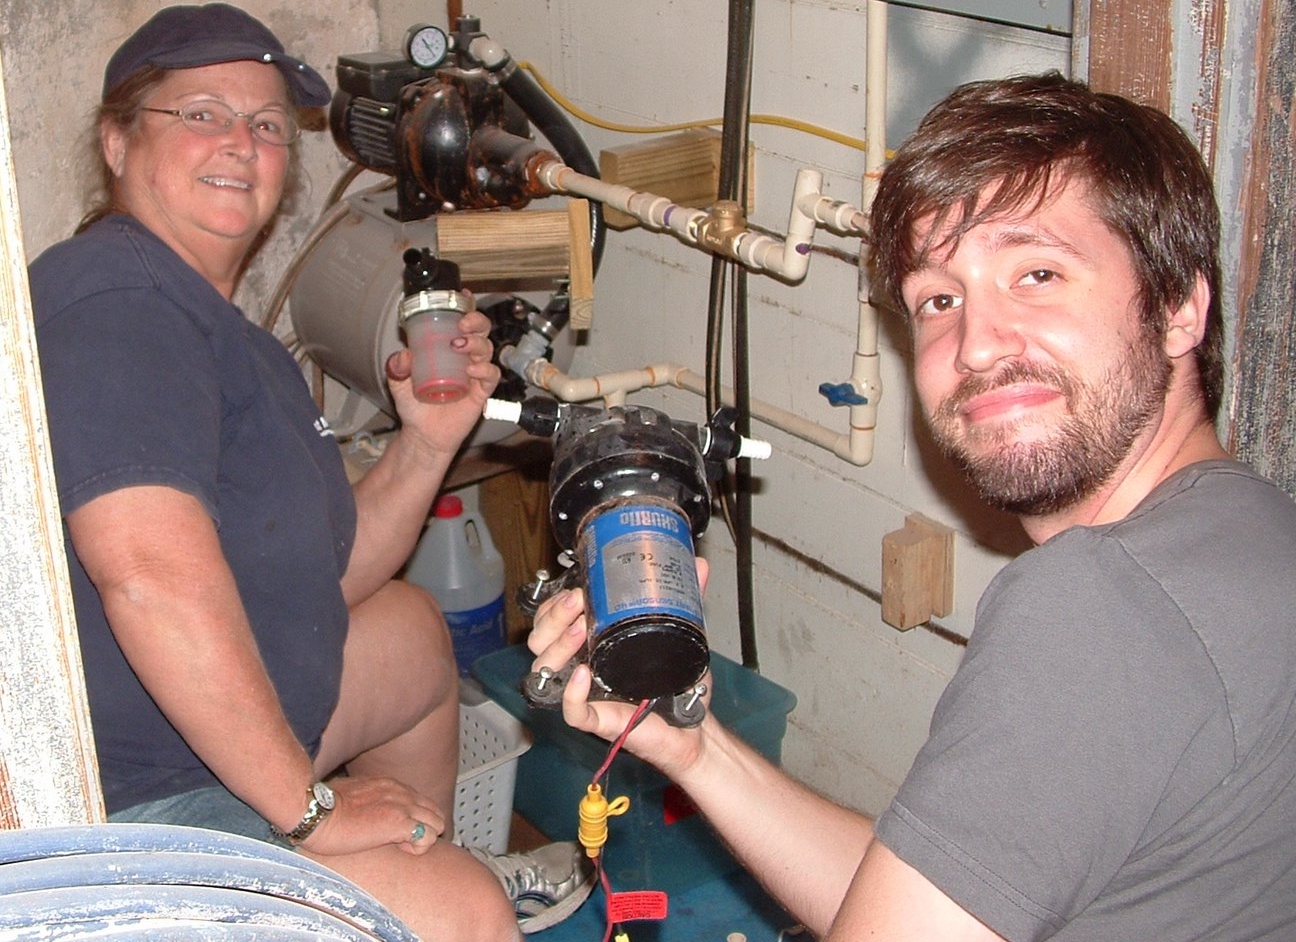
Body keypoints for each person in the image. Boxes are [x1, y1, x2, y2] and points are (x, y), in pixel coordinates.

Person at [529, 71, 1296, 940]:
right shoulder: (1245, 535)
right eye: (938, 298)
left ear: (1177, 309)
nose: (975, 344)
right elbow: (924, 899)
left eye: (1035, 272)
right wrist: (692, 745)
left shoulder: (1101, 602)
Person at [29, 3, 591, 941]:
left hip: (206, 736)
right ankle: (428, 895)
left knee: (409, 633)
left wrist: (425, 439)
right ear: (118, 141)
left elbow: (325, 578)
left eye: (263, 126)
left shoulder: (223, 334)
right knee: (469, 917)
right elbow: (151, 577)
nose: (239, 144)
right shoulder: (116, 299)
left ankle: (408, 865)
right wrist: (310, 808)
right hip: (129, 798)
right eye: (200, 113)